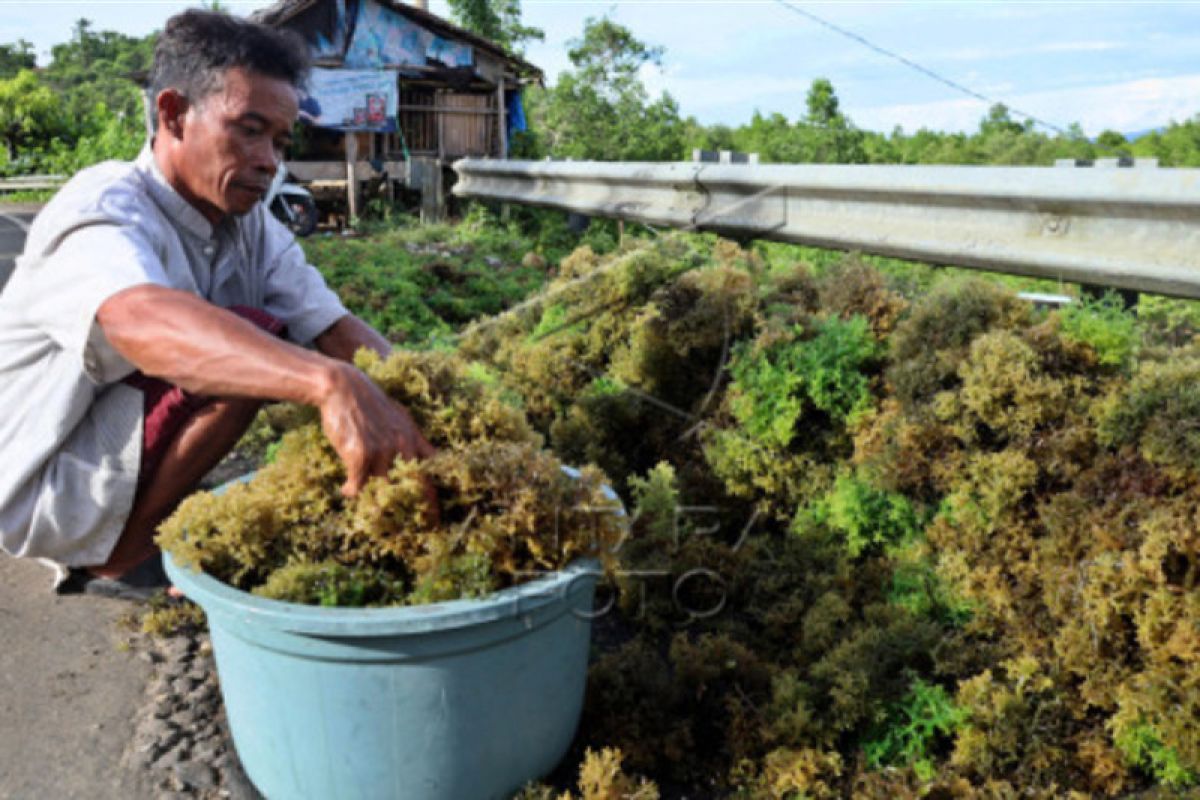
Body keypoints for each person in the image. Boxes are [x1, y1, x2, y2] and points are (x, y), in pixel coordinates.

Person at [0, 10, 434, 599]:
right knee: (248, 339)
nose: (268, 160)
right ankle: (118, 559)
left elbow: (332, 328)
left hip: (112, 449)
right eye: (248, 130)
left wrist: (425, 404)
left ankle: (133, 529)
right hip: (42, 484)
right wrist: (328, 384)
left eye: (279, 141)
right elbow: (139, 320)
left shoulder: (247, 224)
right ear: (174, 115)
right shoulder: (103, 206)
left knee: (266, 338)